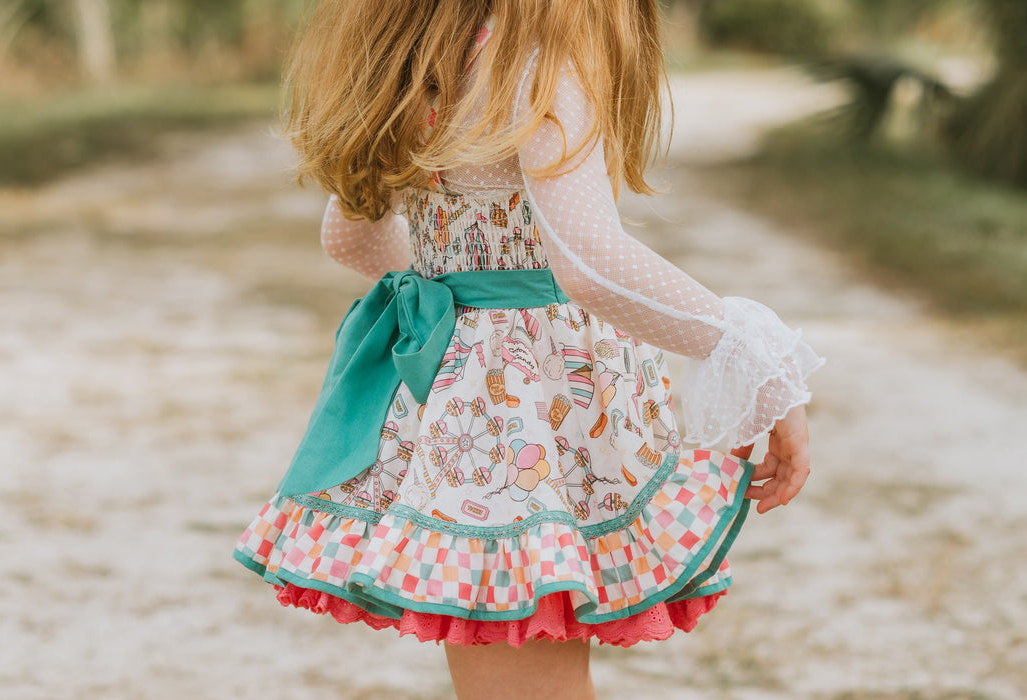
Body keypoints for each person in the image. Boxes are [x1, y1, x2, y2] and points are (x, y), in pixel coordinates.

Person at [233, 2, 824, 698]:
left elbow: (351, 238)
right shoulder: (540, 51)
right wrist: (758, 359)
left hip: (469, 403)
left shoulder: (422, 51)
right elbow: (590, 262)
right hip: (534, 405)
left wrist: (457, 292)